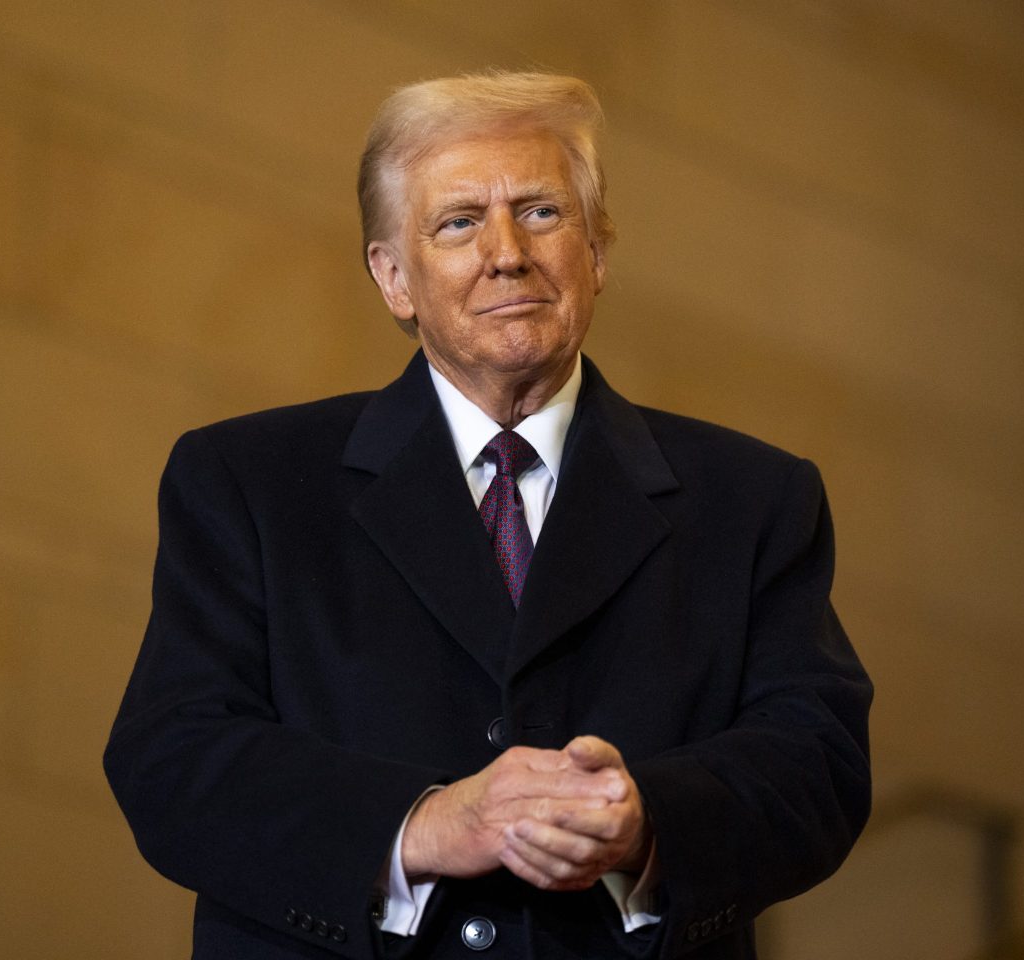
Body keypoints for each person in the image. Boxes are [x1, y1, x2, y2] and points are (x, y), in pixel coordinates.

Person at [104, 71, 872, 960]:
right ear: (395, 278)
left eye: (542, 212)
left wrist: (647, 823)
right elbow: (174, 757)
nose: (506, 252)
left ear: (599, 251)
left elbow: (817, 762)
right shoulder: (247, 479)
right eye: (459, 221)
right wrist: (427, 824)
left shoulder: (754, 499)